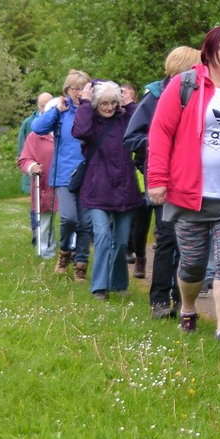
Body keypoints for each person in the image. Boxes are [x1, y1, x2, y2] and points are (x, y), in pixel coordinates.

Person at [146, 26, 220, 348]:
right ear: (209, 51)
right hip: (191, 194)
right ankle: (187, 308)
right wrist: (157, 180)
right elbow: (160, 133)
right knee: (194, 262)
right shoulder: (184, 85)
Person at [125, 46, 200, 319]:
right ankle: (159, 300)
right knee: (167, 238)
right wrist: (162, 142)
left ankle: (183, 301)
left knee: (188, 242)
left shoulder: (200, 94)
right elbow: (132, 137)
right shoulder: (155, 96)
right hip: (163, 178)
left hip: (192, 179)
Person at [73, 81, 144, 299]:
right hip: (97, 187)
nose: (109, 107)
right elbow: (80, 131)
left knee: (122, 241)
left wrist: (131, 105)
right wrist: (85, 103)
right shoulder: (90, 119)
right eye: (104, 103)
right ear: (96, 103)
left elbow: (142, 128)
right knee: (103, 236)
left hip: (124, 187)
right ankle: (99, 287)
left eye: (113, 102)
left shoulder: (124, 119)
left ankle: (119, 284)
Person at [30, 70, 95, 279]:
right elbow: (37, 128)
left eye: (83, 88)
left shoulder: (93, 110)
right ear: (66, 90)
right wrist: (55, 111)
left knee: (86, 223)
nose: (79, 92)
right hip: (65, 174)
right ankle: (65, 251)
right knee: (69, 218)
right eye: (75, 88)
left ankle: (81, 265)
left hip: (89, 173)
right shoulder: (61, 111)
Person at [18, 97, 61, 258]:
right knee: (45, 219)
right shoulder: (35, 135)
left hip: (68, 182)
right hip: (45, 183)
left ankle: (70, 252)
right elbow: (24, 159)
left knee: (70, 219)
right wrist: (31, 166)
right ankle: (47, 253)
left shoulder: (70, 131)